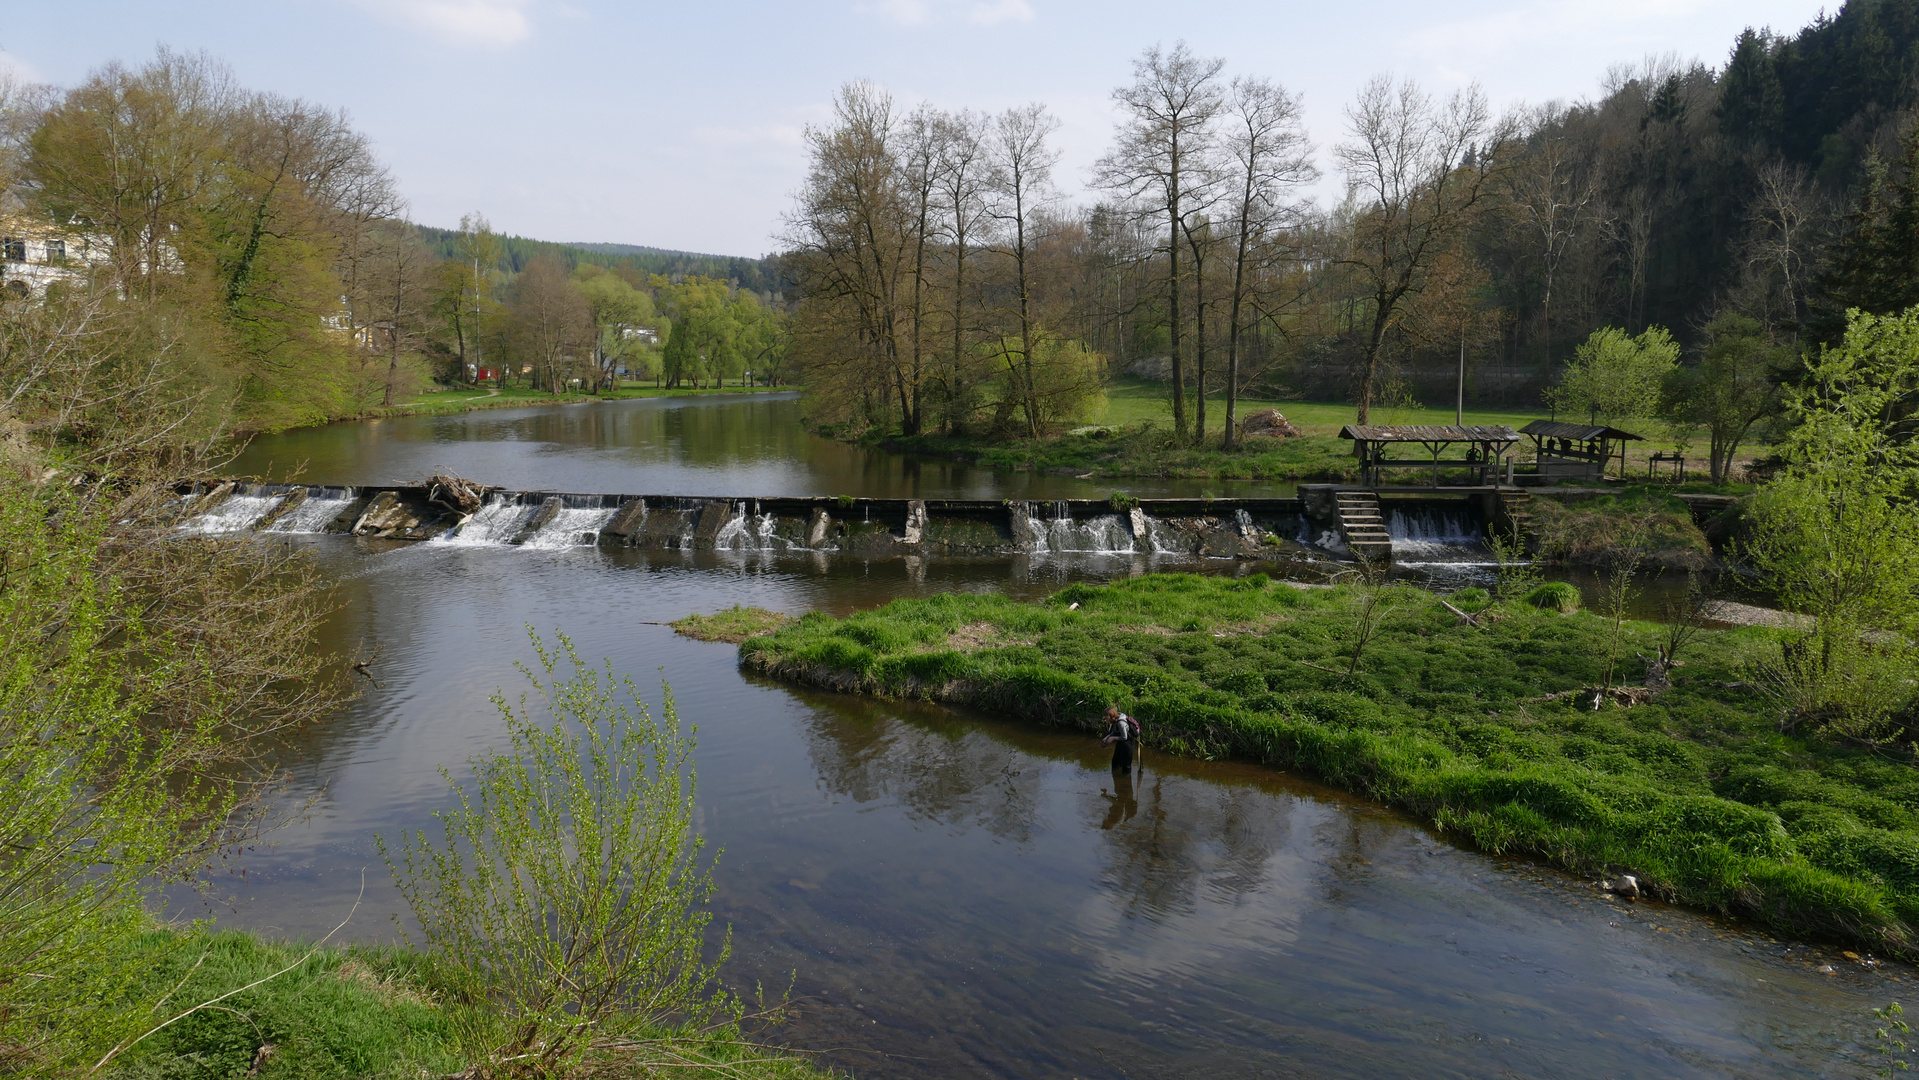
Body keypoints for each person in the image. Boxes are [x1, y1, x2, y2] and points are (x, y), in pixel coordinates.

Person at [1101, 705, 1141, 774]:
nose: (1105, 718)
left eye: (1106, 716)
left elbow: (1124, 737)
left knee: (1126, 766)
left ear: (1111, 716)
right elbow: (1115, 731)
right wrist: (1107, 737)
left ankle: (1125, 781)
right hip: (1121, 742)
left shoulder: (1121, 723)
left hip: (1128, 743)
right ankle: (1116, 778)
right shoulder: (1116, 719)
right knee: (1115, 762)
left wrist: (1113, 738)